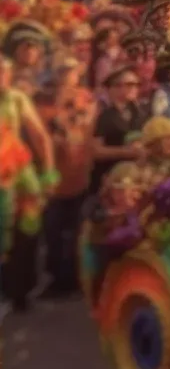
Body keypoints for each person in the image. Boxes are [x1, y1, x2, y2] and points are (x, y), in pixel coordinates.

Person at [37, 55, 97, 297]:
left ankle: (73, 280)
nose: (67, 77)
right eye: (62, 72)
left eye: (71, 72)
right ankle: (55, 280)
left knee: (76, 234)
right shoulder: (43, 104)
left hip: (80, 176)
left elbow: (88, 129)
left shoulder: (86, 99)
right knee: (53, 233)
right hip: (54, 180)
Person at [0, 56, 56, 312]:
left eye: (4, 72)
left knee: (28, 228)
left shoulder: (17, 98)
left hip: (20, 170)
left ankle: (21, 291)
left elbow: (40, 135)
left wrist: (49, 171)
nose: (2, 77)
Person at [90, 66, 146, 197]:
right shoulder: (104, 116)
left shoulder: (139, 113)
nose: (135, 88)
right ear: (114, 88)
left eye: (137, 84)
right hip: (110, 178)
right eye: (130, 84)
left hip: (135, 176)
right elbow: (96, 151)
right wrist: (126, 152)